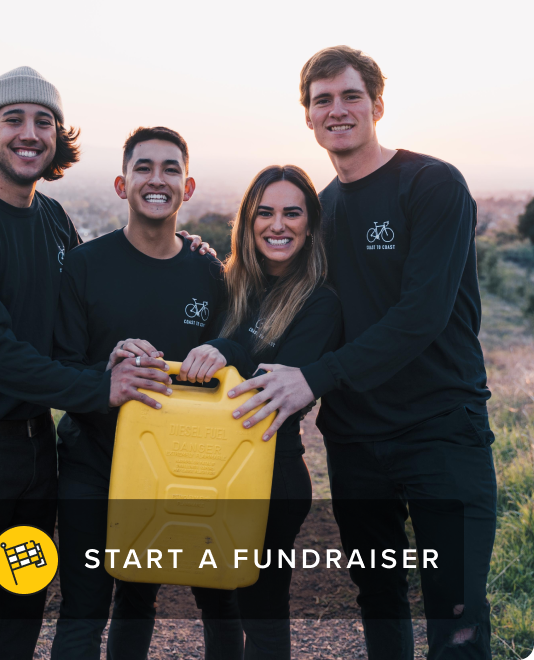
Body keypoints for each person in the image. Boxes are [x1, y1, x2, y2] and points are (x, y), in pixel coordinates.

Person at [229, 46, 497, 659]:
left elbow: (420, 316)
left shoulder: (431, 184)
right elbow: (280, 301)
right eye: (322, 100)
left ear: (377, 105)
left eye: (351, 96)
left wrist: (314, 379)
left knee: (455, 617)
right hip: (356, 446)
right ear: (307, 116)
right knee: (379, 602)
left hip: (440, 434)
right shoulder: (320, 213)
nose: (338, 109)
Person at [0, 67, 174, 660]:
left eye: (44, 121)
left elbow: (77, 314)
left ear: (57, 137)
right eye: (14, 120)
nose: (31, 133)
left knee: (18, 602)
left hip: (32, 451)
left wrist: (179, 245)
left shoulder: (52, 217)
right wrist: (100, 387)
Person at [51, 127, 243, 660]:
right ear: (121, 183)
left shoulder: (211, 273)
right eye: (143, 167)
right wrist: (106, 370)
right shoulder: (85, 266)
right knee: (85, 606)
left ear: (189, 185)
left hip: (172, 470)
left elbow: (228, 363)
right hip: (92, 464)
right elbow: (62, 369)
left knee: (148, 599)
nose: (157, 179)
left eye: (170, 169)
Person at [180, 164, 342, 659]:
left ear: (310, 224)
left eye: (292, 213)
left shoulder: (320, 303)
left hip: (269, 480)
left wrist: (228, 350)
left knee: (262, 613)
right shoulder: (226, 285)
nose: (278, 224)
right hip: (206, 471)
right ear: (247, 222)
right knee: (214, 604)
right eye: (264, 212)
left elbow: (274, 388)